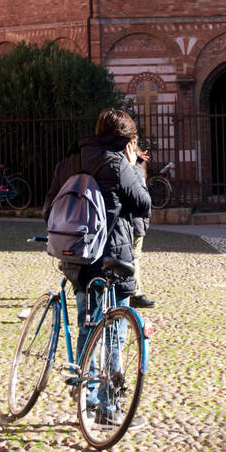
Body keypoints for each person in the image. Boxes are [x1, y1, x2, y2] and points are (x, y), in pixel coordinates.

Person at [42, 108, 151, 421]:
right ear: (127, 141)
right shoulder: (119, 164)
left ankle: (86, 403)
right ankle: (109, 408)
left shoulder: (69, 162)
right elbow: (144, 203)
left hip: (78, 259)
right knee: (115, 330)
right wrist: (135, 167)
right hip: (112, 260)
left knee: (87, 328)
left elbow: (49, 207)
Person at [130, 145, 155, 310]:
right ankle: (135, 293)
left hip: (136, 220)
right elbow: (141, 196)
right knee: (134, 257)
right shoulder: (136, 167)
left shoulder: (133, 166)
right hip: (135, 220)